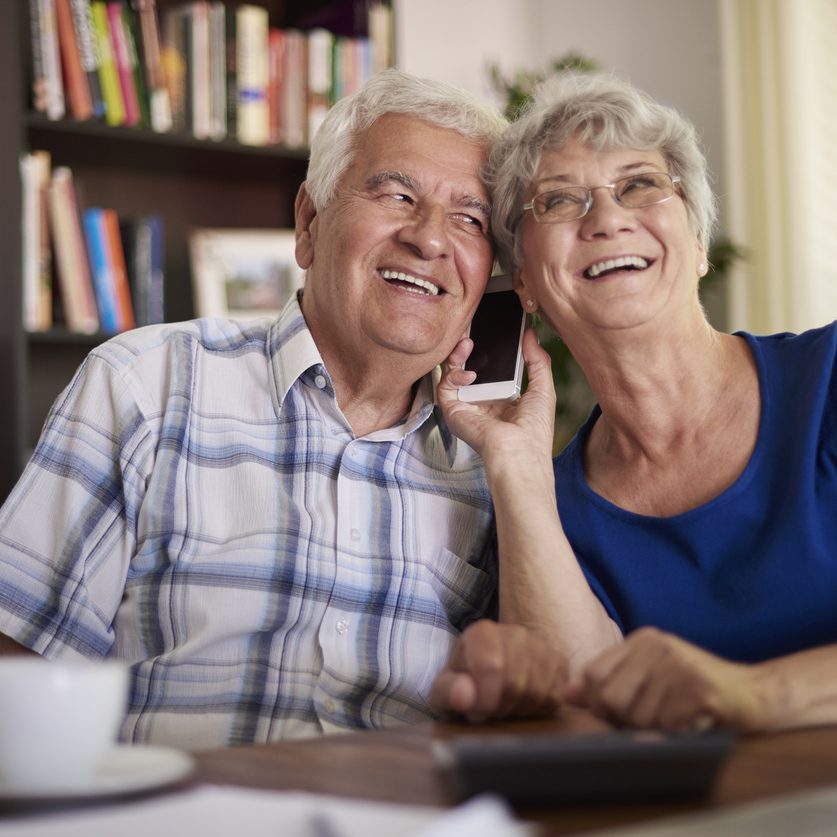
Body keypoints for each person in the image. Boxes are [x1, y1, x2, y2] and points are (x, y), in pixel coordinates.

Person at [0, 69, 509, 749]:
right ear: (308, 222)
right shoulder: (143, 384)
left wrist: (517, 462)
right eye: (395, 193)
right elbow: (19, 663)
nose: (429, 238)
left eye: (470, 218)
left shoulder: (492, 457)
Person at [431, 70, 837, 734]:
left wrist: (756, 694)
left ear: (698, 243)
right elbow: (576, 720)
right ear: (524, 283)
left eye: (639, 184)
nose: (607, 218)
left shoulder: (829, 377)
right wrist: (513, 464)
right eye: (558, 200)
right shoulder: (546, 509)